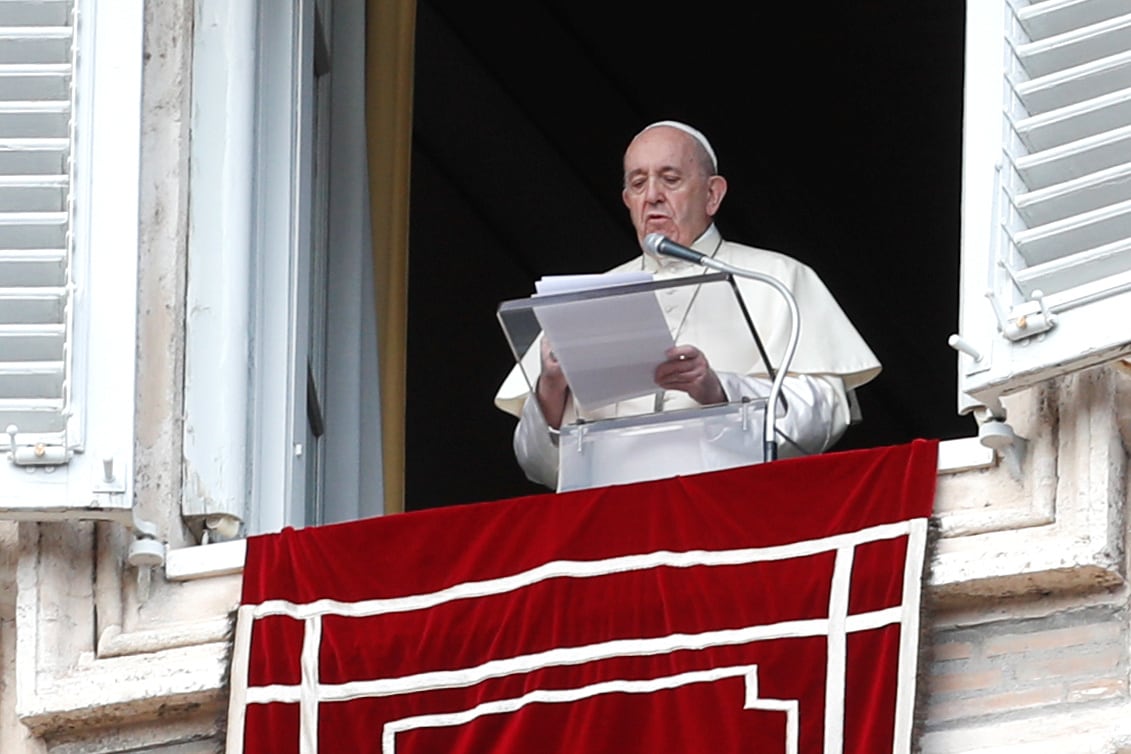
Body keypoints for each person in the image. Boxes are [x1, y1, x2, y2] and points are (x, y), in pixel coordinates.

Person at [495, 120, 881, 490]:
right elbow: (538, 464)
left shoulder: (776, 277)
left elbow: (826, 413)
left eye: (670, 179)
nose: (652, 196)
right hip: (612, 520)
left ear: (713, 194)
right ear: (627, 200)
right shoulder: (587, 296)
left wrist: (720, 391)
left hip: (730, 509)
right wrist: (549, 388)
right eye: (638, 183)